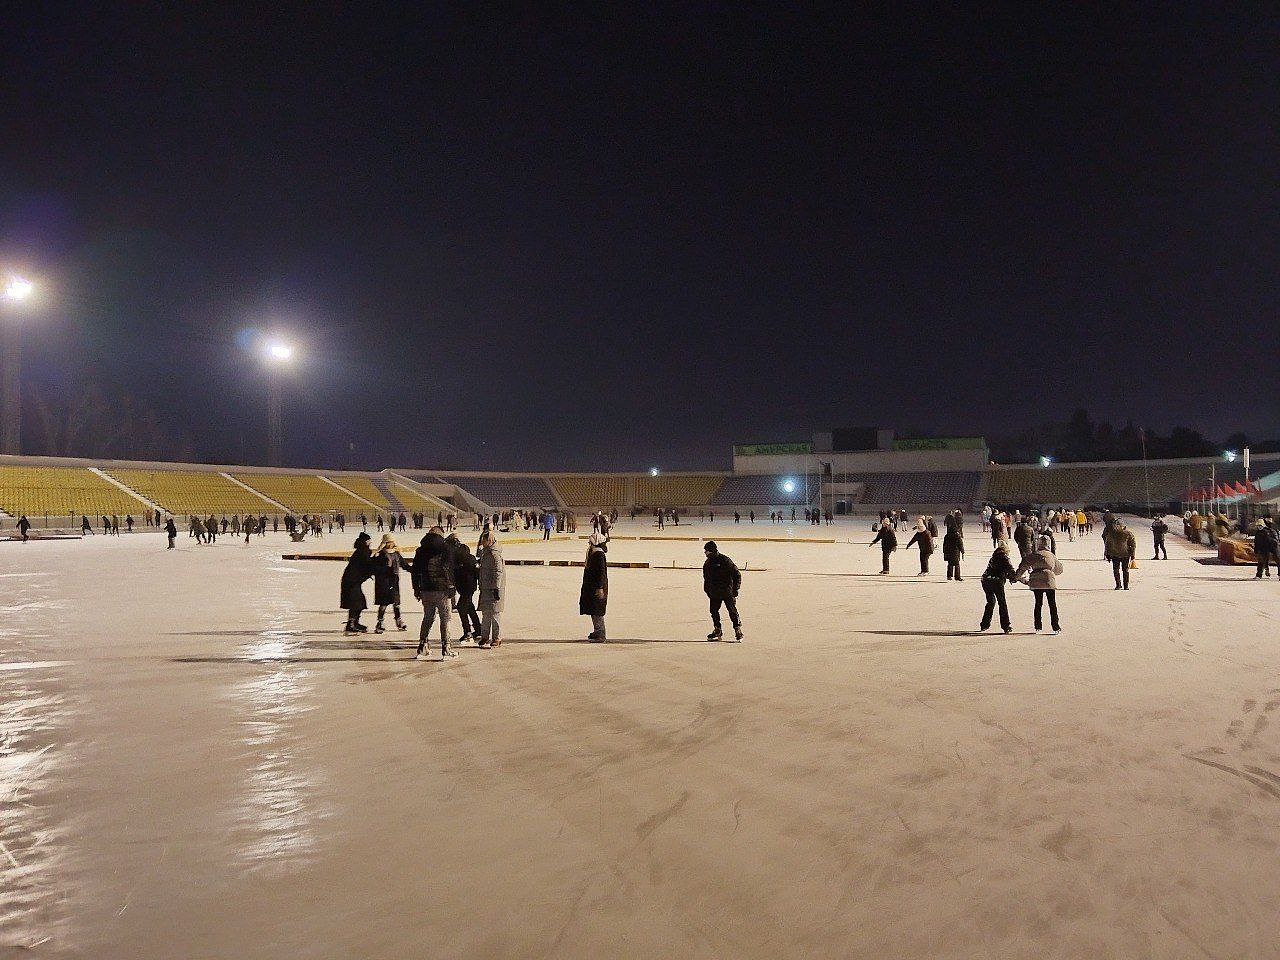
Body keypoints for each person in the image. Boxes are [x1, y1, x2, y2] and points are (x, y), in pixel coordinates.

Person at [412, 526, 456, 659]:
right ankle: (446, 648)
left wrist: (416, 589)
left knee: (428, 617)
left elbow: (415, 571)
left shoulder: (421, 550)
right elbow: (447, 568)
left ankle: (422, 646)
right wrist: (451, 587)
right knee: (445, 618)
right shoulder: (445, 548)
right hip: (442, 590)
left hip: (425, 589)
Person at [1015, 535, 1063, 633]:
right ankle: (1056, 627)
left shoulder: (1035, 554)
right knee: (1052, 604)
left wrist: (1016, 577)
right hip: (1049, 581)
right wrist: (1052, 572)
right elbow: (1059, 569)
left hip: (1036, 581)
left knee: (1038, 604)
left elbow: (1023, 565)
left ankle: (1038, 626)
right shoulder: (1051, 555)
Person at [702, 540, 743, 641]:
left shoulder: (724, 560)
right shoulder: (708, 563)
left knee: (732, 611)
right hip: (715, 592)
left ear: (710, 551)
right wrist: (707, 590)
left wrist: (735, 589)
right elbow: (706, 578)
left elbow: (736, 574)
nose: (704, 552)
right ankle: (718, 629)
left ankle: (737, 630)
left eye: (706, 550)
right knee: (714, 611)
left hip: (726, 592)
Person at [340, 532, 377, 634]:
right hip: (351, 581)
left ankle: (354, 622)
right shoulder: (362, 552)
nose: (370, 543)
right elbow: (368, 565)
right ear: (365, 542)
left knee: (359, 602)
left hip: (353, 581)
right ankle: (351, 624)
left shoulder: (362, 551)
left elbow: (368, 565)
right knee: (356, 602)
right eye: (369, 541)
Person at [372, 534, 410, 632]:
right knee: (383, 604)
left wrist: (414, 570)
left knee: (396, 603)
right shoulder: (380, 554)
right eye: (388, 542)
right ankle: (380, 622)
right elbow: (375, 568)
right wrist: (385, 569)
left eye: (391, 542)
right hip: (383, 583)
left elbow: (404, 565)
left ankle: (399, 620)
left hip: (394, 581)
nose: (390, 544)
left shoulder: (396, 554)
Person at [979, 540, 1017, 633]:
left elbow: (999, 569)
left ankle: (984, 624)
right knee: (1002, 603)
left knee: (990, 602)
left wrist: (1009, 576)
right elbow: (1010, 569)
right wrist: (1014, 577)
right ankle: (1006, 625)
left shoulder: (994, 556)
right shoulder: (1004, 557)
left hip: (986, 580)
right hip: (996, 581)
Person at [476, 531, 505, 648]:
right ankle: (485, 636)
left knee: (494, 614)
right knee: (486, 613)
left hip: (494, 588)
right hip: (485, 587)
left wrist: (496, 588)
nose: (482, 543)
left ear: (490, 541)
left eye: (484, 541)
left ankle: (496, 637)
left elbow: (498, 572)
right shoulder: (485, 552)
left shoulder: (494, 554)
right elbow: (478, 554)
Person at [580, 531, 609, 641]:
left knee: (597, 609)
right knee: (593, 608)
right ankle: (597, 631)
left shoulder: (598, 554)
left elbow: (601, 573)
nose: (589, 544)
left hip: (597, 587)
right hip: (592, 586)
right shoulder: (594, 553)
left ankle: (600, 633)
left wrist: (600, 588)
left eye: (590, 542)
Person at [451, 535, 481, 641]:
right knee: (469, 607)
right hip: (469, 587)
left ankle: (467, 631)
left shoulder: (459, 558)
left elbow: (458, 573)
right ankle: (478, 629)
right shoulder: (467, 557)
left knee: (461, 607)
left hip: (466, 588)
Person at [1103, 518, 1137, 590]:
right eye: (1117, 525)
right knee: (1120, 570)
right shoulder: (1114, 534)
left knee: (1121, 570)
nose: (1118, 527)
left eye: (1119, 525)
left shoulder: (1125, 533)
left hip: (1122, 554)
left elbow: (1133, 544)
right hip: (1118, 554)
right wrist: (1107, 554)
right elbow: (1107, 544)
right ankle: (1121, 585)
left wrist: (1133, 554)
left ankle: (1123, 585)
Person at [943, 514, 964, 581]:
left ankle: (949, 576)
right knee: (957, 564)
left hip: (949, 552)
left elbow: (944, 544)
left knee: (950, 564)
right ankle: (957, 577)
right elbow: (960, 544)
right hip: (955, 551)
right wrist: (962, 551)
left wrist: (944, 551)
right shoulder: (957, 535)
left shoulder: (947, 535)